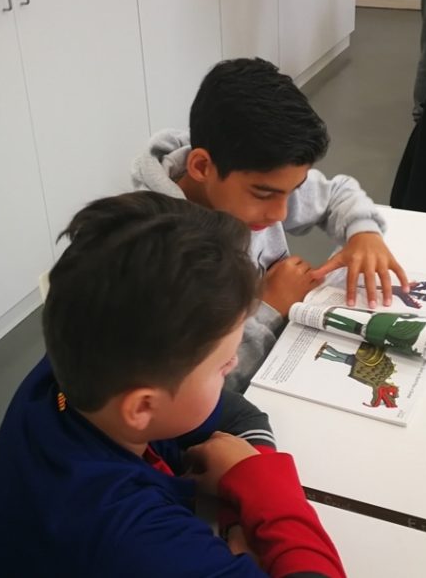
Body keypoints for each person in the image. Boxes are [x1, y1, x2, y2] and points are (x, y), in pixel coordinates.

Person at [0, 192, 346, 578]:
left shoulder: (79, 368)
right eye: (222, 366)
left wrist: (239, 508)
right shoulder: (133, 538)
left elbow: (240, 415)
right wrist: (260, 484)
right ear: (142, 407)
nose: (235, 364)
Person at [132, 57, 407, 391]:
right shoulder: (152, 256)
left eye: (292, 190)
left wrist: (363, 232)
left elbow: (338, 193)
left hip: (283, 354)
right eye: (264, 194)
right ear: (201, 167)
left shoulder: (252, 174)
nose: (280, 212)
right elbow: (189, 389)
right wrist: (271, 306)